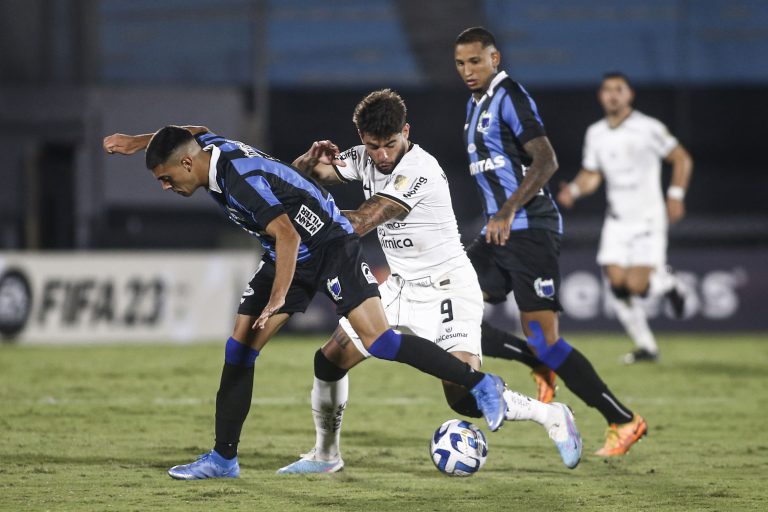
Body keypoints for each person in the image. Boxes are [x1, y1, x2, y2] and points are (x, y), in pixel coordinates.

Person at [102, 125, 511, 480]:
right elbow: (188, 130)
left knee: (380, 342)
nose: (165, 186)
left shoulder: (237, 179)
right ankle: (223, 458)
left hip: (329, 244)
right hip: (289, 256)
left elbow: (288, 235)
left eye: (166, 177)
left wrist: (278, 298)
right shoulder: (205, 147)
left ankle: (480, 384)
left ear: (188, 164)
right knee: (240, 349)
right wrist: (136, 142)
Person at [274, 89, 582, 474]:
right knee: (329, 359)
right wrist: (306, 161)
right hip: (400, 286)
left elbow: (361, 223)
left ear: (406, 131)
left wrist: (302, 216)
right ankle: (325, 454)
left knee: (462, 396)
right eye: (373, 147)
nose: (382, 156)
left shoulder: (419, 170)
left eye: (390, 144)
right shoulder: (362, 157)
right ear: (362, 139)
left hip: (447, 288)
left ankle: (550, 414)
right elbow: (303, 178)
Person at [453, 27, 646, 456]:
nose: (468, 71)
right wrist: (496, 218)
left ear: (495, 58)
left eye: (475, 61)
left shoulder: (510, 97)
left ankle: (623, 419)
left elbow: (547, 160)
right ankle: (533, 360)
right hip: (496, 233)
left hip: (529, 229)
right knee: (451, 313)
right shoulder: (474, 105)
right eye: (461, 64)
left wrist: (506, 210)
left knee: (546, 339)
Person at [557, 72, 693, 364]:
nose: (613, 95)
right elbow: (593, 174)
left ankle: (670, 285)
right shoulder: (596, 133)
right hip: (617, 219)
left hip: (647, 218)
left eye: (619, 89)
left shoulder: (648, 128)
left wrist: (676, 195)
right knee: (616, 284)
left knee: (636, 287)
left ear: (629, 95)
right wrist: (576, 190)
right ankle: (646, 347)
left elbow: (681, 158)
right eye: (607, 90)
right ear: (600, 96)